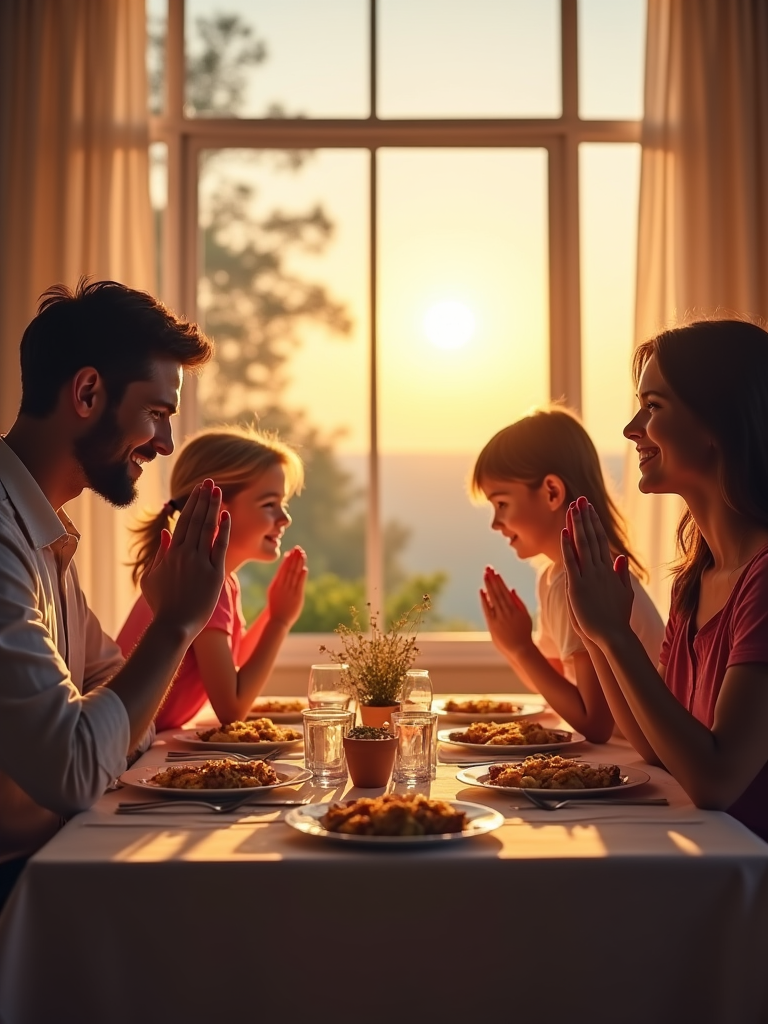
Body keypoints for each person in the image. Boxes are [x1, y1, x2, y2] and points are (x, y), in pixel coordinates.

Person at [0, 278, 230, 902]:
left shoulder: (43, 530)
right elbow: (75, 767)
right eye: (156, 413)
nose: (166, 444)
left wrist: (109, 719)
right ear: (88, 391)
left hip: (50, 859)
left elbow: (123, 701)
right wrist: (176, 623)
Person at [561, 319, 768, 840]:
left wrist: (617, 635)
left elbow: (716, 780)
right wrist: (596, 633)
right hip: (712, 862)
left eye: (653, 407)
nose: (632, 429)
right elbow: (656, 747)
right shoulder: (693, 581)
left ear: (717, 424)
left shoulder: (763, 582)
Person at [472, 406, 664, 743]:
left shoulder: (578, 579)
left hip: (643, 760)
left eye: (501, 503)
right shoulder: (554, 575)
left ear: (551, 492)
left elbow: (595, 724)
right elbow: (557, 681)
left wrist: (520, 649)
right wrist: (512, 646)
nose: (494, 523)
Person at [118, 427, 307, 730]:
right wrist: (279, 622)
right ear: (218, 509)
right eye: (269, 504)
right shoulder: (204, 581)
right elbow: (232, 708)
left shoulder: (220, 580)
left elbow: (231, 659)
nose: (285, 519)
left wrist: (275, 610)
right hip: (122, 752)